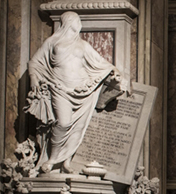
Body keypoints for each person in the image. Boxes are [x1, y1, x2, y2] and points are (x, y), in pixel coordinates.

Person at [26, 11, 128, 173]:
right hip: (59, 88)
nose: (79, 23)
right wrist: (33, 78)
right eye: (76, 20)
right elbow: (35, 62)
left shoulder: (83, 45)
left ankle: (66, 161)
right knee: (64, 123)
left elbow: (102, 64)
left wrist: (117, 73)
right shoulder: (53, 41)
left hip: (83, 90)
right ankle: (52, 160)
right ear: (69, 21)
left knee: (79, 127)